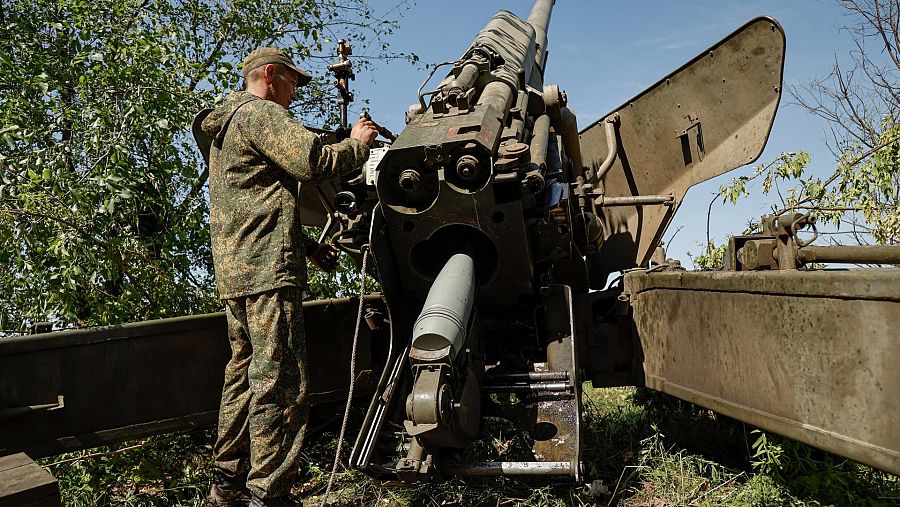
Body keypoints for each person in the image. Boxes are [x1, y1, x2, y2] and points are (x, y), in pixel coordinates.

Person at [200, 47, 377, 507]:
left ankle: (227, 483)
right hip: (267, 274)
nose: (296, 93)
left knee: (242, 375)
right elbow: (314, 161)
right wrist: (358, 142)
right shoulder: (260, 114)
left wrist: (309, 247)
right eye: (293, 83)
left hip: (238, 273)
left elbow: (254, 205)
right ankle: (268, 492)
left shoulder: (226, 128)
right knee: (281, 380)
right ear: (270, 75)